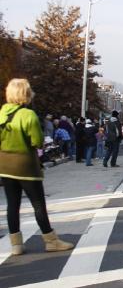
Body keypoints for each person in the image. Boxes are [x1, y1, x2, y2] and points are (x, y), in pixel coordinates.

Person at [0, 79, 73, 255]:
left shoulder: (2, 112)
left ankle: (16, 244)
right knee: (38, 204)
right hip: (25, 165)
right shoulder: (28, 115)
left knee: (12, 205)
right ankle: (51, 240)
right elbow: (37, 141)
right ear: (26, 94)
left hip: (5, 164)